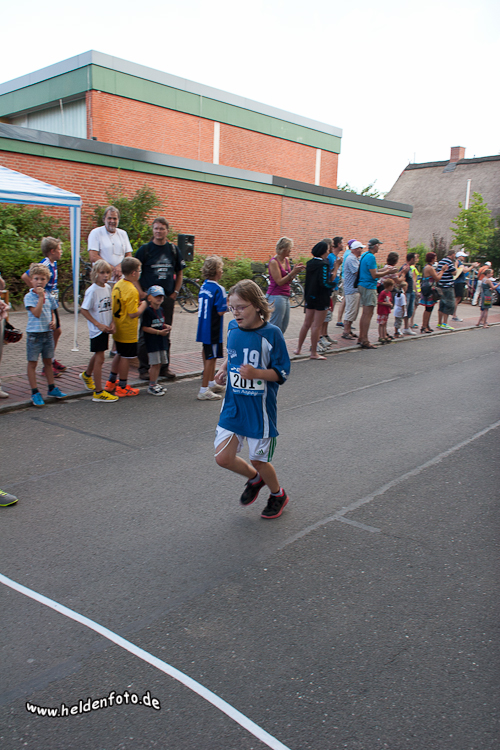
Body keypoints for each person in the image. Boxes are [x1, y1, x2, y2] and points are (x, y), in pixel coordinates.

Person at [213, 279, 291, 520]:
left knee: (258, 460)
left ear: (257, 306)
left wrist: (257, 373)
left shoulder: (271, 334)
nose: (235, 313)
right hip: (233, 406)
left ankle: (277, 494)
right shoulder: (232, 328)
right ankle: (255, 480)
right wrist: (223, 369)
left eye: (241, 307)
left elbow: (282, 372)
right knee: (223, 458)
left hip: (260, 411)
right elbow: (233, 355)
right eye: (232, 307)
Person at [135, 217, 185, 380]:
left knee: (165, 331)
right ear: (152, 230)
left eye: (162, 228)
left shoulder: (173, 250)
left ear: (167, 231)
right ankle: (144, 368)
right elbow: (133, 272)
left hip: (166, 299)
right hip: (148, 300)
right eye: (156, 228)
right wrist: (141, 292)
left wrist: (175, 292)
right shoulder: (145, 250)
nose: (159, 231)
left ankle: (164, 367)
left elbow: (180, 273)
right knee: (145, 333)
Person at [21, 237, 66, 376]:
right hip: (45, 300)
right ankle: (48, 363)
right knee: (55, 331)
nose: (61, 252)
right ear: (52, 251)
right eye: (59, 249)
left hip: (51, 300)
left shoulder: (54, 263)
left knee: (57, 330)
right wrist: (37, 291)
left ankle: (51, 359)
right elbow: (25, 276)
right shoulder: (45, 263)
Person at [24, 263, 67, 407]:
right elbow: (36, 313)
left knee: (48, 362)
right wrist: (41, 298)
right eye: (36, 278)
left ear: (47, 281)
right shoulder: (29, 297)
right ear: (31, 280)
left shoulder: (49, 296)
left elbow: (52, 311)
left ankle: (51, 387)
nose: (39, 282)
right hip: (34, 335)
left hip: (47, 334)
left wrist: (53, 321)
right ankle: (35, 392)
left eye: (42, 279)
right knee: (32, 363)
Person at [105, 257, 147, 397]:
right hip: (127, 328)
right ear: (134, 273)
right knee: (126, 357)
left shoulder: (118, 284)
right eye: (139, 271)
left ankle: (111, 381)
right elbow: (133, 313)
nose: (140, 273)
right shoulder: (132, 290)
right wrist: (143, 305)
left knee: (119, 353)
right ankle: (122, 386)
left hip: (118, 325)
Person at [79, 260, 118, 403]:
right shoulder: (92, 290)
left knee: (98, 355)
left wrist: (112, 322)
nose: (105, 275)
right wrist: (98, 324)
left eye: (108, 272)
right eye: (102, 273)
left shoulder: (107, 288)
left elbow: (110, 307)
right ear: (95, 273)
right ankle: (98, 392)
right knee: (100, 359)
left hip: (106, 328)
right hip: (97, 329)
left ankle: (87, 375)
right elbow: (84, 310)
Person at [294, 241, 334, 360]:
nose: (328, 251)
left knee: (306, 323)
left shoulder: (310, 263)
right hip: (321, 297)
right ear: (323, 251)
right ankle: (314, 352)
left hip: (310, 296)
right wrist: (333, 284)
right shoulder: (324, 264)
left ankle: (298, 348)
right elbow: (324, 282)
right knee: (316, 326)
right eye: (327, 249)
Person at [196, 255, 228, 401]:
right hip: (213, 329)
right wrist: (230, 304)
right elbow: (220, 311)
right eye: (221, 269)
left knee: (208, 353)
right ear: (217, 271)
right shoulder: (219, 289)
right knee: (211, 357)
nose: (222, 271)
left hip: (203, 327)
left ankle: (211, 383)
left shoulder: (204, 286)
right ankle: (204, 390)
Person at [357, 238, 397, 349]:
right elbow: (374, 275)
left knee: (365, 313)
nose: (379, 248)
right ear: (375, 246)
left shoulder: (364, 255)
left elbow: (373, 271)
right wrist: (388, 271)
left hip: (362, 284)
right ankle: (365, 339)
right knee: (368, 314)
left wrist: (384, 270)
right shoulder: (371, 257)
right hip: (369, 286)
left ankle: (361, 337)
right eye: (378, 245)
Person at [266, 237, 305, 334]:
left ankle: (278, 342)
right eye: (289, 249)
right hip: (276, 295)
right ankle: (270, 342)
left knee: (284, 325)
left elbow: (289, 279)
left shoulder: (286, 260)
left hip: (286, 294)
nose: (290, 251)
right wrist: (293, 272)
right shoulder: (274, 262)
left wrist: (295, 271)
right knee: (276, 325)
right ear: (283, 250)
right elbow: (279, 282)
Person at [87, 206, 133, 284]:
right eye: (109, 218)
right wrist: (112, 269)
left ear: (118, 220)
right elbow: (93, 257)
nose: (112, 221)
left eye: (115, 218)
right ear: (104, 219)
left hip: (120, 278)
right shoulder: (96, 233)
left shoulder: (123, 234)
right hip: (102, 280)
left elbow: (128, 255)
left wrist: (120, 267)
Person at [141, 285, 172, 396]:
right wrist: (159, 332)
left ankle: (155, 382)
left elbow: (160, 322)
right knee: (154, 364)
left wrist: (166, 326)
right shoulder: (147, 311)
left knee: (159, 363)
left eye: (161, 297)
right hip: (152, 342)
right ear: (149, 298)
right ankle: (151, 385)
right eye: (156, 296)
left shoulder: (161, 310)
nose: (159, 299)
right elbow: (145, 327)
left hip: (160, 342)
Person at [319, 237, 343, 351]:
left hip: (334, 287)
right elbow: (330, 275)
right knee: (324, 313)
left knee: (329, 313)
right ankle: (321, 336)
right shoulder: (329, 258)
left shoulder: (334, 257)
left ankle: (325, 334)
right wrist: (337, 265)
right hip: (329, 288)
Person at [418, 252, 448, 332]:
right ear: (432, 259)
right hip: (429, 289)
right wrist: (442, 271)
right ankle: (424, 326)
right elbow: (437, 278)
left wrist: (440, 272)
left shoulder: (427, 267)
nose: (436, 259)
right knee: (428, 308)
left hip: (427, 288)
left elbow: (434, 275)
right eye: (435, 258)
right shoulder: (430, 268)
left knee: (429, 308)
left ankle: (426, 325)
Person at [341, 240, 364, 340]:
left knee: (353, 310)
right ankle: (346, 331)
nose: (361, 250)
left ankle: (349, 329)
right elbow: (357, 272)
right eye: (360, 248)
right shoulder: (351, 259)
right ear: (355, 249)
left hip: (353, 289)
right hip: (351, 289)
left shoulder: (354, 258)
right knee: (350, 310)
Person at [452, 251, 478, 320]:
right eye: (463, 256)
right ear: (459, 256)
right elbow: (465, 270)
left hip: (459, 282)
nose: (464, 257)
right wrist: (472, 266)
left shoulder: (458, 263)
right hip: (459, 282)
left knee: (458, 299)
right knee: (457, 299)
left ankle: (453, 314)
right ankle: (454, 315)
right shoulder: (459, 263)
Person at [436, 249, 458, 330]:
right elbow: (454, 273)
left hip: (441, 285)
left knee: (442, 304)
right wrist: (456, 266)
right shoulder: (449, 262)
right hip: (448, 286)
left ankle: (439, 322)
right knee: (449, 304)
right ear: (453, 254)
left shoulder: (441, 261)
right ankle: (445, 323)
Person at [401, 252, 418, 335]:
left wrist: (416, 291)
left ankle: (406, 327)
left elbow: (412, 280)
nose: (416, 260)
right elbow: (402, 279)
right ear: (412, 259)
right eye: (415, 258)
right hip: (407, 292)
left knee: (409, 310)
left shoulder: (410, 268)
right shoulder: (405, 268)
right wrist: (404, 291)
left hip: (411, 291)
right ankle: (404, 327)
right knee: (405, 310)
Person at [377, 278, 394, 343]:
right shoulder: (383, 293)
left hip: (386, 311)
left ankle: (384, 335)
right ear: (389, 286)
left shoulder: (389, 293)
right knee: (381, 323)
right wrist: (387, 304)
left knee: (384, 323)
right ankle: (381, 336)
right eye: (392, 286)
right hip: (382, 311)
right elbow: (379, 301)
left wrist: (390, 304)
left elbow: (389, 300)